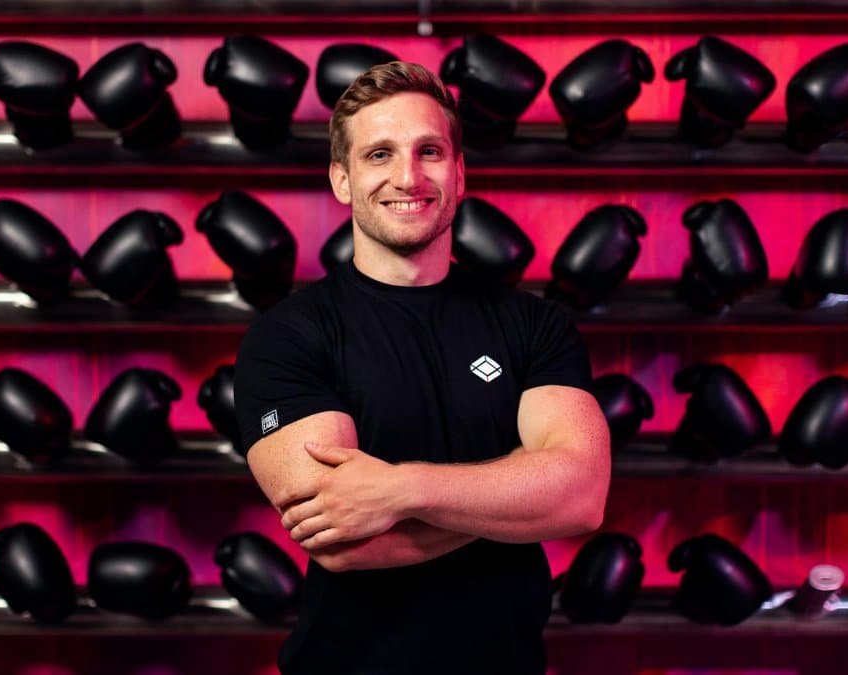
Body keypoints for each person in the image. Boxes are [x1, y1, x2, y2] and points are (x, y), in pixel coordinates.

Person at [233, 61, 611, 675]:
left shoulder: (534, 325)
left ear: (459, 173)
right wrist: (519, 489)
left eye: (429, 151)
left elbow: (582, 497)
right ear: (342, 181)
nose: (408, 176)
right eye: (379, 155)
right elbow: (347, 541)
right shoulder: (288, 337)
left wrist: (399, 489)